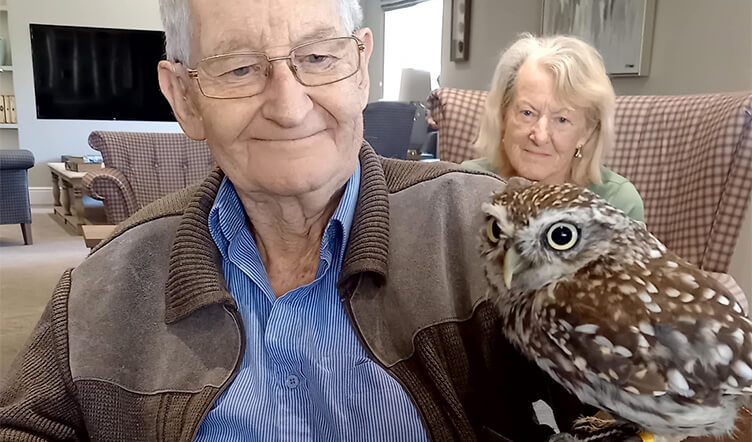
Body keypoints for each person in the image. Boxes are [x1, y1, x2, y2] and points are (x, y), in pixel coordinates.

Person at [0, 1, 595, 440]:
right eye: (239, 69)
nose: (288, 107)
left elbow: (645, 396)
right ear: (184, 96)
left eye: (317, 57)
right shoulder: (102, 290)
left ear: (360, 68)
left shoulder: (486, 231)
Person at [462, 34, 645, 222]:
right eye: (527, 113)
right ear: (502, 115)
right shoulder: (467, 185)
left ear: (586, 131)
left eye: (562, 119)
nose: (540, 136)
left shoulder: (617, 203)